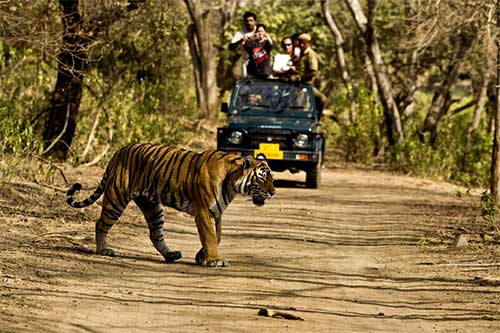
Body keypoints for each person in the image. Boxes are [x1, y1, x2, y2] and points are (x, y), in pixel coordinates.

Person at [291, 33, 327, 116]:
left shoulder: (311, 54)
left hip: (306, 85)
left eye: (304, 43)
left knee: (322, 99)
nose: (301, 45)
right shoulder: (299, 54)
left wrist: (299, 78)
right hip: (297, 84)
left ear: (309, 43)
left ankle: (316, 118)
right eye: (300, 43)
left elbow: (313, 72)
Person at [229, 11, 257, 79]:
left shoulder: (259, 30)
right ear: (244, 22)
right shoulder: (241, 33)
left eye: (251, 20)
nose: (249, 23)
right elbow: (231, 46)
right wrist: (241, 40)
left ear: (255, 21)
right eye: (247, 21)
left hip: (260, 61)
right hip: (247, 61)